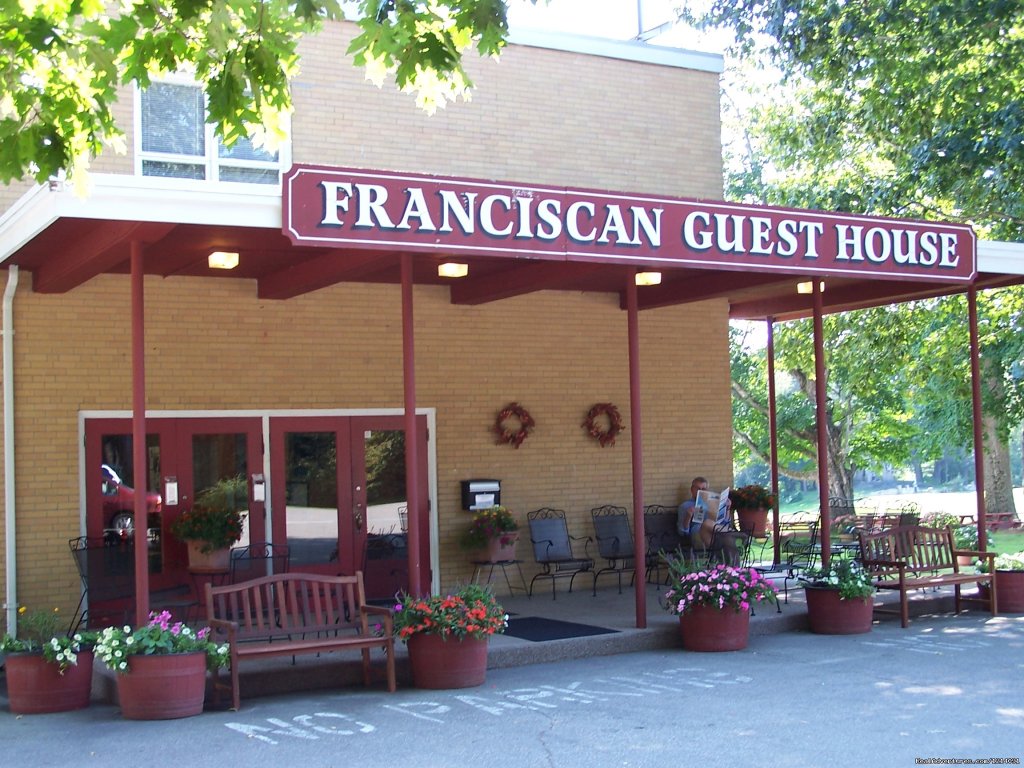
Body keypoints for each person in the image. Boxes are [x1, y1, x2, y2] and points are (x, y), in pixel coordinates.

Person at [677, 476, 748, 566]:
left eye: (703, 489)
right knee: (707, 523)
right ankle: (735, 534)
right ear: (692, 490)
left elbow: (725, 523)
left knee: (728, 540)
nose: (700, 491)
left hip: (716, 535)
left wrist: (727, 509)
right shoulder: (685, 506)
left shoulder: (713, 502)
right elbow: (682, 532)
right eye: (698, 488)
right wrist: (688, 516)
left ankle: (735, 571)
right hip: (698, 536)